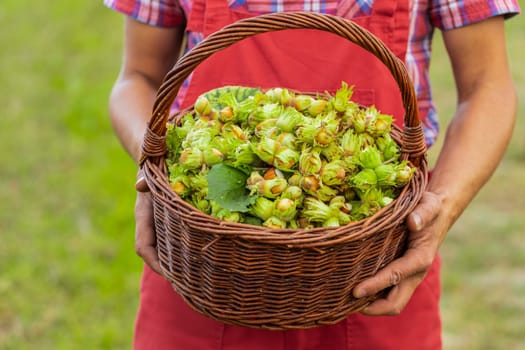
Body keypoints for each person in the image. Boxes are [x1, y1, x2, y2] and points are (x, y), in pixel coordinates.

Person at [104, 0, 520, 348]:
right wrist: (154, 168)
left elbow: (487, 86)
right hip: (207, 262)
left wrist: (439, 208)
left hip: (377, 264)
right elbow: (137, 77)